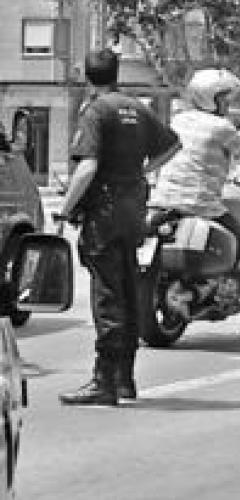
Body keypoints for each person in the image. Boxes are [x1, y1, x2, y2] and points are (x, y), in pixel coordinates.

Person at [58, 48, 180, 406]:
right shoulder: (137, 108)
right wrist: (141, 171)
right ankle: (125, 378)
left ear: (87, 77)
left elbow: (87, 167)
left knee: (108, 296)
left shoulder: (96, 110)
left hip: (106, 212)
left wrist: (65, 210)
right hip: (133, 208)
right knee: (127, 288)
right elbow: (173, 145)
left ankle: (104, 382)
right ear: (115, 73)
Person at [148, 68, 240, 345]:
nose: (229, 103)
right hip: (200, 204)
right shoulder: (220, 128)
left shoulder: (178, 120)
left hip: (163, 201)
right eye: (225, 97)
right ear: (212, 99)